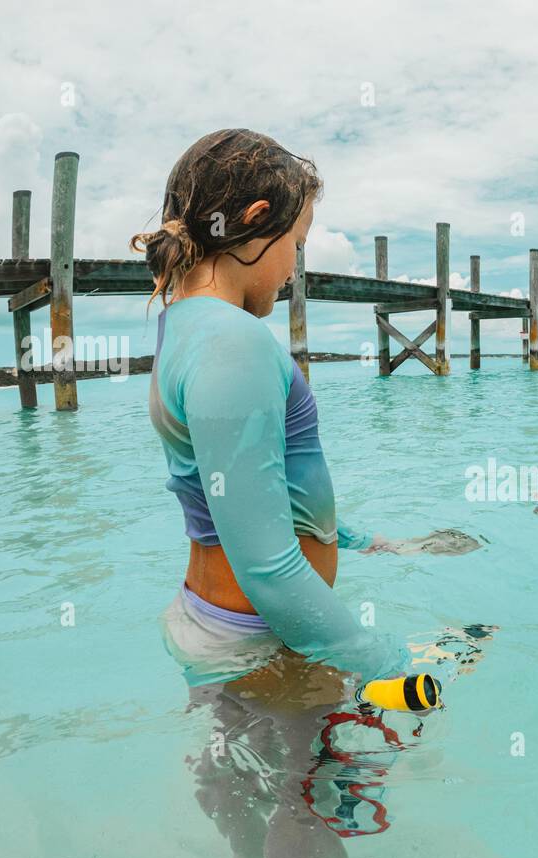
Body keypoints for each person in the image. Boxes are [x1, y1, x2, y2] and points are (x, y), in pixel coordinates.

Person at [131, 128, 410, 690]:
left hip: (227, 628)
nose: (292, 270)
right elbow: (270, 573)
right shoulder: (232, 342)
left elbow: (240, 490)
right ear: (257, 221)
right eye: (296, 245)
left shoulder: (182, 328)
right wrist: (386, 664)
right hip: (260, 643)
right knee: (320, 781)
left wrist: (350, 536)